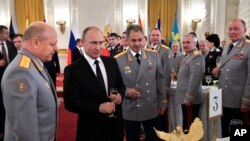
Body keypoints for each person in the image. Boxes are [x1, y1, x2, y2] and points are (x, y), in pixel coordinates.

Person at [63, 26, 125, 141]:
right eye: (93, 43)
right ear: (83, 42)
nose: (98, 47)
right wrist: (98, 108)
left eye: (101, 42)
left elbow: (121, 86)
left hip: (115, 127)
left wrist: (120, 95)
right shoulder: (72, 70)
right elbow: (70, 103)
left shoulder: (111, 62)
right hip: (90, 130)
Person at [1, 22, 58, 141]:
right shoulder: (20, 72)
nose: (56, 48)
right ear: (35, 42)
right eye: (52, 44)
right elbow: (24, 130)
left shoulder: (33, 63)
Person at [115, 25, 167, 141]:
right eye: (133, 40)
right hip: (130, 107)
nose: (137, 43)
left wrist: (162, 102)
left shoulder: (153, 55)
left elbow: (160, 79)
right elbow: (115, 83)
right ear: (127, 41)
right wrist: (126, 91)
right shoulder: (118, 59)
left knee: (154, 138)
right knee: (132, 138)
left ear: (144, 39)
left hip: (151, 106)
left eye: (140, 40)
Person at [212, 19, 250, 137]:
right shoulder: (228, 46)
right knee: (224, 131)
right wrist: (219, 69)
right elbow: (228, 66)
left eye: (236, 29)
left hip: (238, 100)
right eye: (230, 29)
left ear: (245, 30)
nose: (232, 31)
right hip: (223, 97)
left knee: (238, 133)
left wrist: (246, 100)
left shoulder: (248, 47)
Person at [175, 34, 205, 131]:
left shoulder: (197, 56)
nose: (185, 45)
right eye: (183, 42)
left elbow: (195, 79)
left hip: (190, 100)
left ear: (195, 43)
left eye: (188, 42)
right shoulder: (188, 56)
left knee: (190, 128)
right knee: (186, 126)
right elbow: (188, 74)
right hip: (184, 97)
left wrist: (189, 98)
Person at [0, 25, 17, 140]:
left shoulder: (11, 44)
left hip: (11, 78)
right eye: (6, 33)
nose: (8, 35)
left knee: (10, 102)